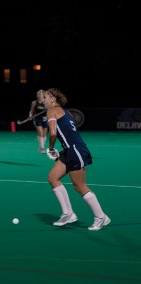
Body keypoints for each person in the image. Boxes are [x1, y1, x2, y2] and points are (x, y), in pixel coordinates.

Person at [43, 88, 111, 231]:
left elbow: (53, 133)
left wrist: (50, 148)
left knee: (79, 186)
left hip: (75, 150)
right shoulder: (64, 111)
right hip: (71, 150)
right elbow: (69, 135)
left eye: (45, 97)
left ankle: (101, 217)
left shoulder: (51, 110)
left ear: (52, 99)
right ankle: (68, 214)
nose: (43, 100)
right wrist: (62, 150)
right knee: (52, 178)